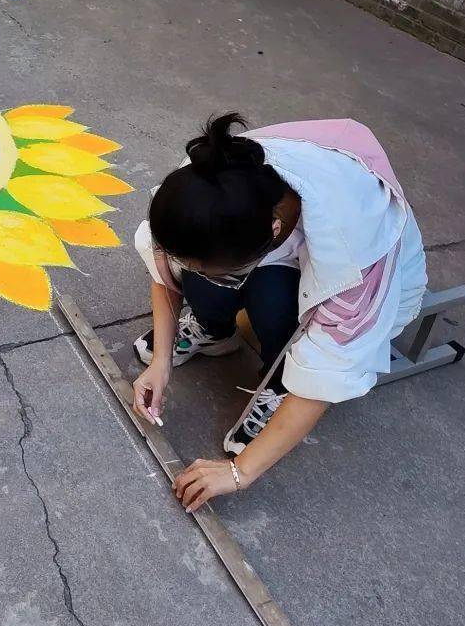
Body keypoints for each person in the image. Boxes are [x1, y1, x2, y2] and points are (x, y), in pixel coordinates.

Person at [132, 114, 427, 513]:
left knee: (275, 300)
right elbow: (164, 266)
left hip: (356, 274)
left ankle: (281, 378)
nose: (192, 274)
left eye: (219, 269)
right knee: (202, 274)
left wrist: (240, 472)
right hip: (270, 245)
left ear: (273, 230)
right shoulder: (206, 180)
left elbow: (327, 372)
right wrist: (161, 363)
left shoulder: (354, 258)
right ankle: (214, 330)